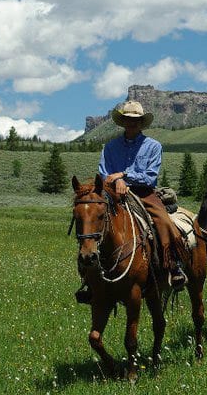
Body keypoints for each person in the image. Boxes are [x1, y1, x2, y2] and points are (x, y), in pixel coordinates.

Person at [76, 100, 188, 304]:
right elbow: (103, 172)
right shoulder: (110, 147)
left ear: (141, 123)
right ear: (123, 122)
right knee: (91, 220)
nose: (131, 123)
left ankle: (174, 265)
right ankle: (88, 276)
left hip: (144, 193)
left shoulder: (153, 146)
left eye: (135, 120)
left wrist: (123, 176)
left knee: (164, 221)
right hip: (112, 193)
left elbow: (150, 177)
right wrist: (116, 180)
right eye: (128, 120)